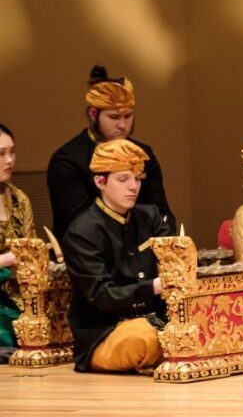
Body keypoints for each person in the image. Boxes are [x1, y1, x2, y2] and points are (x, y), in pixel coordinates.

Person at [62, 139, 171, 373]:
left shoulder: (150, 216)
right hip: (106, 331)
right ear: (100, 181)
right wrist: (152, 287)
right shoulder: (82, 232)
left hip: (155, 317)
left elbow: (172, 262)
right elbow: (102, 295)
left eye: (137, 179)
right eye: (123, 179)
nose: (133, 187)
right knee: (143, 338)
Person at [47, 65, 174, 239]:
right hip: (88, 252)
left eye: (128, 116)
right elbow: (78, 225)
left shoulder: (144, 154)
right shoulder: (67, 160)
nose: (122, 125)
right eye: (114, 117)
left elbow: (162, 214)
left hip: (141, 249)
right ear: (93, 113)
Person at [0, 123, 34, 353]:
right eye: (1, 154)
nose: (9, 160)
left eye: (12, 151)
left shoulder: (19, 199)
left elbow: (30, 249)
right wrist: (6, 260)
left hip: (14, 295)